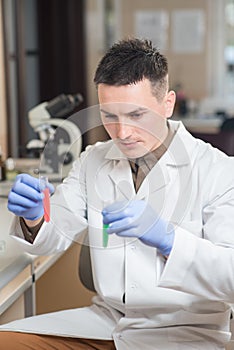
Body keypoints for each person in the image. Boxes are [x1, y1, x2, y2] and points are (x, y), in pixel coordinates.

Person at [0, 37, 234, 350]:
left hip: (185, 333)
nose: (122, 133)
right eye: (110, 116)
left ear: (168, 103)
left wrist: (170, 240)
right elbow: (56, 232)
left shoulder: (219, 170)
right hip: (106, 323)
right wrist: (34, 217)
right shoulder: (93, 160)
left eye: (136, 115)